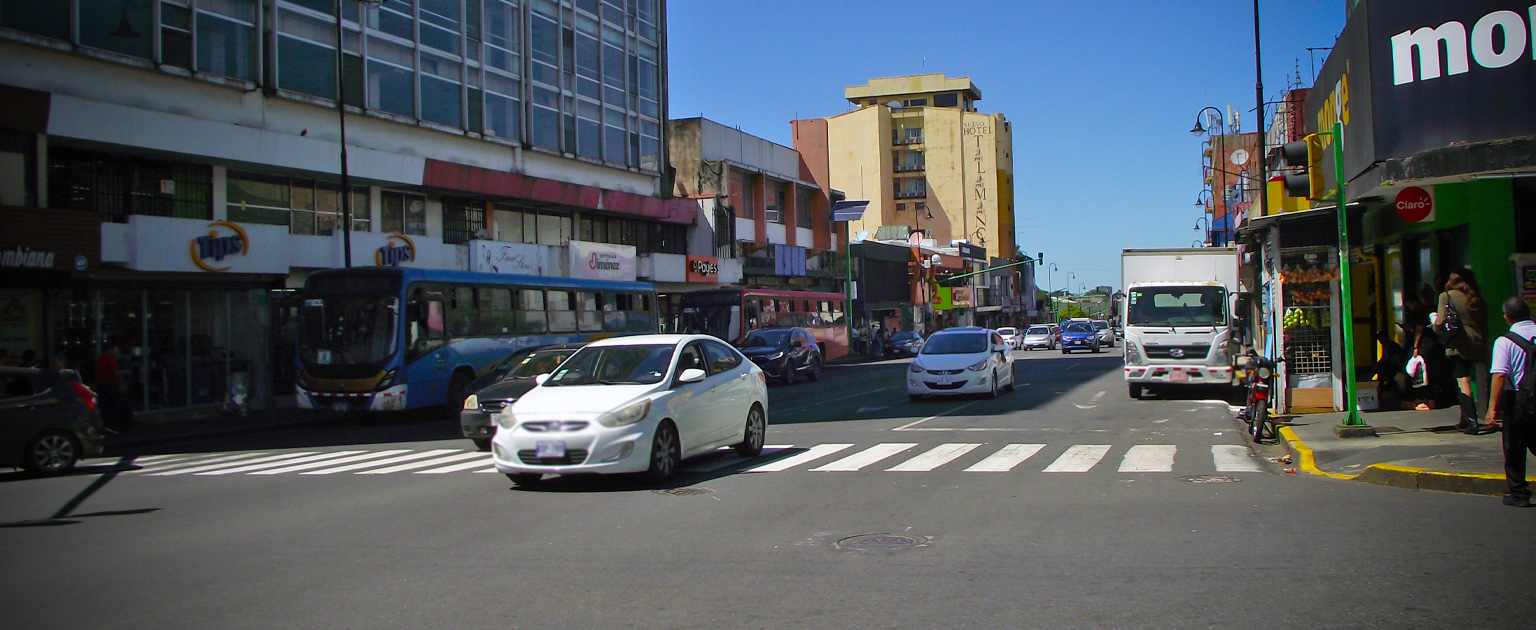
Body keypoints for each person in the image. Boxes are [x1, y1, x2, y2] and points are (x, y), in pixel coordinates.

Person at [1483, 296, 1536, 507]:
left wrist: (1492, 409)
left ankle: (1520, 494)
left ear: (1507, 317)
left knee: (1514, 447)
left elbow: (1500, 376)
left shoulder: (1504, 341)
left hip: (1519, 401)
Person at [1436, 268, 1488, 434]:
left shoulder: (1447, 296)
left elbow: (1440, 322)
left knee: (1462, 380)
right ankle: (1464, 418)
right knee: (1478, 378)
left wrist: (1435, 327)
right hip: (1477, 343)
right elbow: (1485, 325)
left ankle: (1472, 421)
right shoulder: (1478, 299)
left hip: (1459, 345)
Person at [94, 342, 134, 431]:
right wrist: (121, 379)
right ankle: (114, 425)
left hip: (102, 384)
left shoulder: (100, 358)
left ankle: (107, 424)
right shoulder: (110, 358)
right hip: (110, 384)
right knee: (114, 404)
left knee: (106, 405)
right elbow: (115, 373)